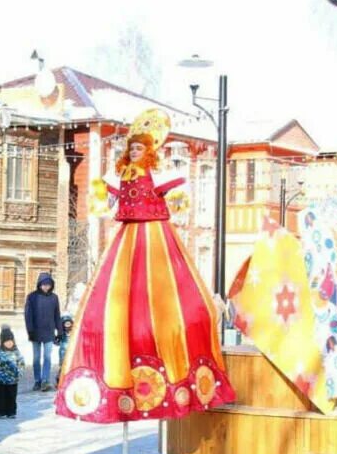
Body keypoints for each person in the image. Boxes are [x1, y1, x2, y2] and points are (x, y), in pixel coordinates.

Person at [58, 109, 233, 424]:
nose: (135, 152)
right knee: (114, 296)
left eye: (139, 148)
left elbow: (180, 194)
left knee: (170, 291)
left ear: (149, 151)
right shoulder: (119, 175)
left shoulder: (159, 173)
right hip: (128, 233)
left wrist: (178, 200)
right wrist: (99, 196)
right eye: (132, 148)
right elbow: (103, 200)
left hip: (155, 234)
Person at [24, 272, 61, 393]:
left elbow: (57, 315)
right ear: (39, 284)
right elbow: (28, 315)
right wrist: (30, 330)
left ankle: (45, 380)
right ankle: (37, 381)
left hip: (49, 332)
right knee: (36, 358)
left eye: (48, 285)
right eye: (44, 284)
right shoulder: (32, 297)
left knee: (47, 357)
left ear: (51, 285)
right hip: (35, 332)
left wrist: (59, 331)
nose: (46, 287)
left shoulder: (54, 298)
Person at [0, 326, 25, 419]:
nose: (9, 343)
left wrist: (20, 372)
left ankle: (11, 412)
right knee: (0, 396)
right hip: (0, 380)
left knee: (11, 397)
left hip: (12, 380)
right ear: (2, 342)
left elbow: (21, 363)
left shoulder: (16, 353)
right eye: (6, 341)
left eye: (11, 341)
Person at [57, 315, 74, 385]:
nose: (67, 326)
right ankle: (60, 379)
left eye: (69, 324)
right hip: (63, 352)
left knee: (71, 365)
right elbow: (57, 339)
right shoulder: (62, 334)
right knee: (62, 366)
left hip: (71, 352)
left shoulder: (73, 332)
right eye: (66, 324)